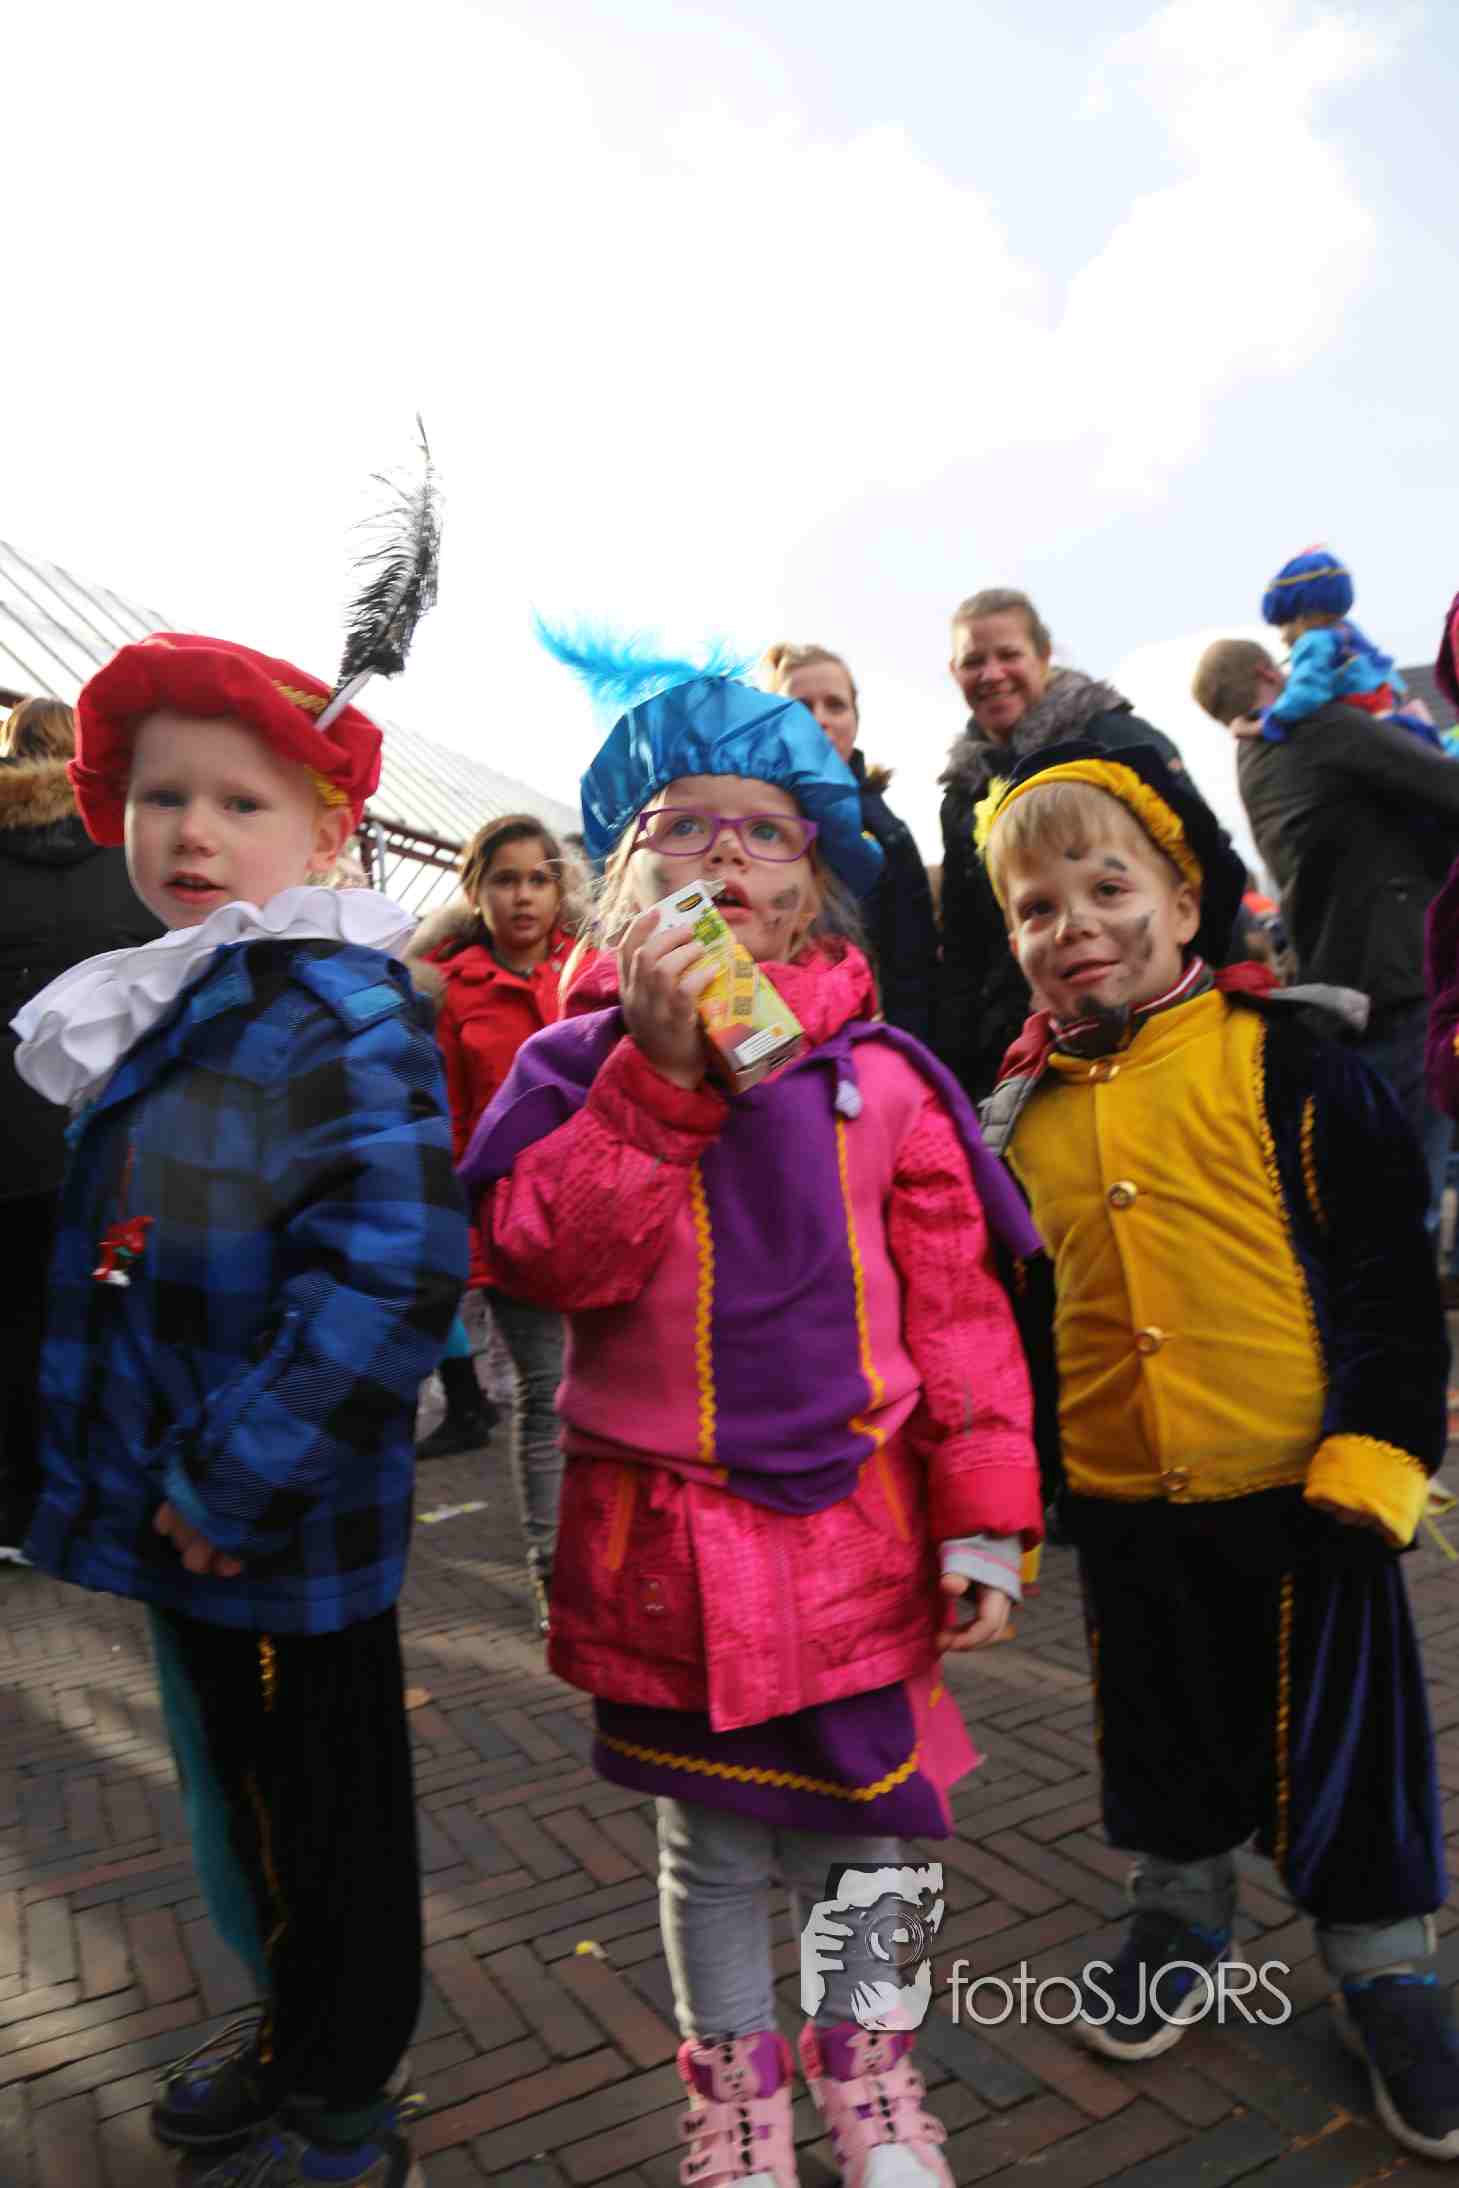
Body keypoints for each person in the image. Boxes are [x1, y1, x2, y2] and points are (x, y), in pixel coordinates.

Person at [459, 636, 1044, 2188]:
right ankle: (735, 2107)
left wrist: (983, 1518)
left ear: (811, 890)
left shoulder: (889, 1081)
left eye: (764, 832)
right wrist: (653, 1079)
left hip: (858, 1526)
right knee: (709, 1843)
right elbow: (545, 1258)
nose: (724, 853)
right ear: (622, 878)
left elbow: (957, 1310)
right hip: (663, 1541)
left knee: (873, 1831)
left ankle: (874, 2091)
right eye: (682, 825)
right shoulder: (566, 1068)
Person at [11, 635, 468, 2188]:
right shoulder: (194, 996)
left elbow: (391, 1270)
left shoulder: (338, 1010)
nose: (190, 831)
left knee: (326, 1826)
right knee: (248, 1812)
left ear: (328, 834)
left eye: (237, 802)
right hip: (189, 1509)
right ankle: (289, 2036)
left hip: (272, 1527)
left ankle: (344, 2110)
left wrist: (230, 1481)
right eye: (161, 798)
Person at [977, 741, 1458, 2162]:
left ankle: (1383, 1963)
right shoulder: (1018, 1114)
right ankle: (1177, 1916)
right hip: (1126, 1497)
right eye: (1035, 908)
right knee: (1160, 1726)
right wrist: (1018, 1491)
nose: (1074, 926)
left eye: (1104, 887)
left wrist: (1374, 1453)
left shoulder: (1289, 1059)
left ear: (1184, 902)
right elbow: (1012, 1322)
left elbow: (1383, 1275)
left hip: (1306, 1488)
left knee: (1347, 1751)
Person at [1193, 637, 1459, 1247]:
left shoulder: (1254, 758)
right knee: (1410, 1198)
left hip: (1345, 990)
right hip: (1403, 978)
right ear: (1268, 670)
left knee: (1378, 1196)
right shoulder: (1319, 729)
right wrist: (1421, 733)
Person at [0, 696, 161, 1561]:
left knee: (15, 1320)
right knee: (115, 1299)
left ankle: (21, 1508)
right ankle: (111, 1487)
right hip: (116, 1146)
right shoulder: (130, 854)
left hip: (7, 1149)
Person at [406, 813, 578, 1624]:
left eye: (538, 879)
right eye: (505, 880)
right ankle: (555, 1575)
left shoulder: (593, 969)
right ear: (475, 891)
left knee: (615, 1394)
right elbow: (444, 1124)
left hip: (610, 1216)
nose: (523, 896)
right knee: (548, 1393)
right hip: (516, 1229)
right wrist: (464, 1235)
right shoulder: (448, 992)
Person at [938, 587, 1195, 1102]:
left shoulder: (1117, 740)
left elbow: (1195, 864)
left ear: (1044, 656)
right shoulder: (962, 792)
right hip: (1025, 1053)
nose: (992, 674)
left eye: (1008, 655)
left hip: (1154, 1031)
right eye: (974, 661)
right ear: (954, 672)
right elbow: (967, 943)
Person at [762, 642, 937, 1041]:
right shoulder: (736, 816)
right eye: (800, 706)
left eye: (835, 705)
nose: (819, 719)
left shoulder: (889, 834)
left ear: (855, 721)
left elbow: (913, 971)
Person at [1252, 547, 1439, 745]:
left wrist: (1269, 721)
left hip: (1368, 731)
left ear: (1303, 617)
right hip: (1390, 715)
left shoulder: (1313, 642)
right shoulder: (1348, 632)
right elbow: (1387, 674)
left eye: (1283, 625)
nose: (1282, 637)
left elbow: (1306, 693)